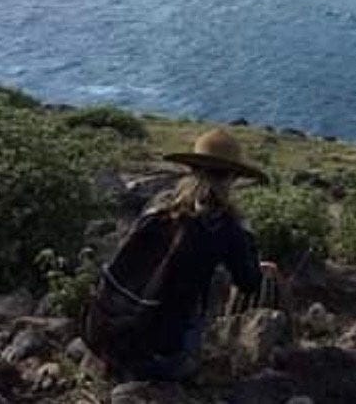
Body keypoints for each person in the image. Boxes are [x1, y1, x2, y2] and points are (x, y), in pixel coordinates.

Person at [110, 128, 277, 385]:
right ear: (231, 177)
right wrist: (248, 240)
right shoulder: (224, 226)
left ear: (192, 169)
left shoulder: (161, 209)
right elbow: (249, 281)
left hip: (112, 339)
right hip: (163, 358)